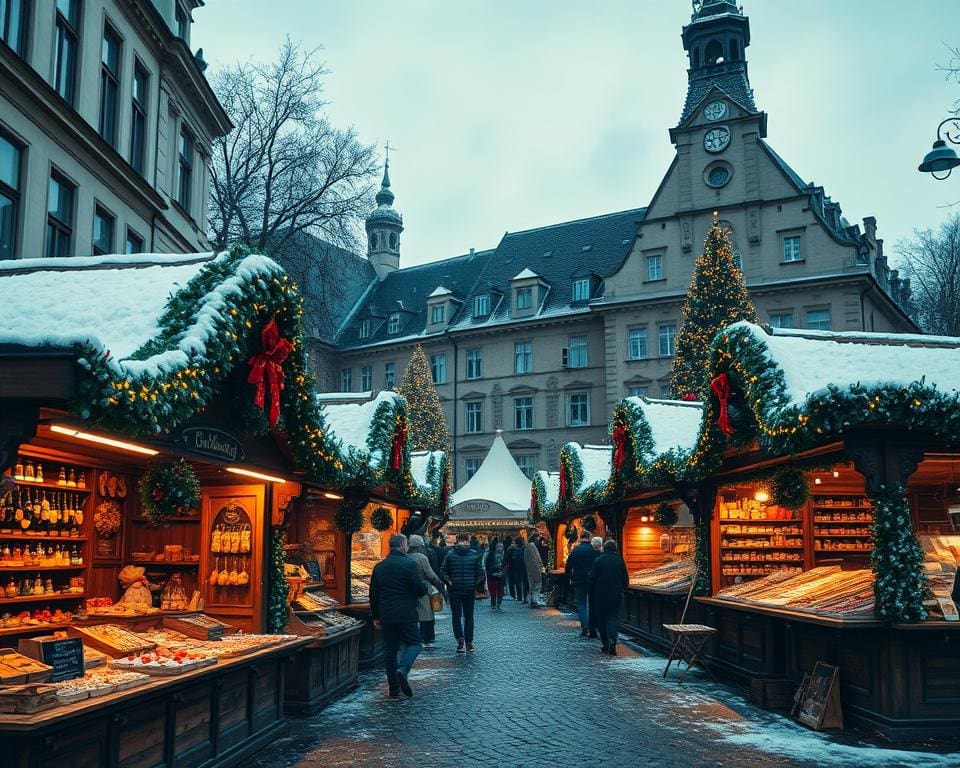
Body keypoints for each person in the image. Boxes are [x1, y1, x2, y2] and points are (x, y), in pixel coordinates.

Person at [369, 533, 428, 696]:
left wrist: (375, 616)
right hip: (406, 612)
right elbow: (418, 589)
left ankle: (393, 689)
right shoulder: (409, 564)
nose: (407, 547)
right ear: (402, 546)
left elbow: (373, 593)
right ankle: (403, 668)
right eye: (406, 544)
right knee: (415, 643)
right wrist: (425, 588)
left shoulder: (380, 566)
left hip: (387, 614)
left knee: (390, 649)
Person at [441, 531, 485, 652]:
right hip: (469, 589)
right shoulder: (474, 554)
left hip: (454, 589)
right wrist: (475, 584)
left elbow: (443, 571)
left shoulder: (450, 554)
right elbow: (480, 573)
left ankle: (460, 639)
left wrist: (449, 582)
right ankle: (469, 642)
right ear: (467, 541)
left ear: (457, 541)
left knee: (456, 616)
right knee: (469, 616)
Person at [588, 539, 629, 655]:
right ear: (615, 549)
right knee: (613, 618)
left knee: (601, 619)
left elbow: (592, 578)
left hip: (600, 595)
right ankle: (613, 640)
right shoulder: (619, 561)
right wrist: (623, 590)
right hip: (615, 595)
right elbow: (625, 579)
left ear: (604, 548)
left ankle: (605, 643)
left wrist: (591, 589)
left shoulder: (598, 560)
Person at [407, 535, 444, 647]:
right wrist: (440, 585)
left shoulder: (406, 557)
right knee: (426, 614)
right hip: (423, 589)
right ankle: (426, 638)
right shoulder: (422, 558)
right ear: (420, 546)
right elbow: (430, 575)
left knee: (412, 615)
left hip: (408, 590)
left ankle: (413, 637)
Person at [565, 529, 601, 637]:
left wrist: (570, 578)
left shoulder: (575, 550)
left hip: (579, 581)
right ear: (590, 538)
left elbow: (568, 566)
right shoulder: (594, 551)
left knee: (581, 604)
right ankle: (592, 626)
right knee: (592, 604)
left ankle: (584, 627)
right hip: (592, 581)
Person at [524, 533, 545, 607]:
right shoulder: (532, 547)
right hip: (534, 569)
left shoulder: (529, 547)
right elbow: (536, 559)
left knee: (532, 585)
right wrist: (540, 567)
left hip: (531, 569)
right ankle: (534, 601)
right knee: (536, 585)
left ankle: (533, 601)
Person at [485, 538, 507, 610]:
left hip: (501, 575)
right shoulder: (490, 554)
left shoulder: (504, 554)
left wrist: (503, 572)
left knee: (500, 591)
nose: (500, 548)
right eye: (499, 546)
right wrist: (491, 572)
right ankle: (493, 604)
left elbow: (506, 564)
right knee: (493, 590)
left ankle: (499, 604)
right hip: (492, 575)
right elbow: (487, 565)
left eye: (501, 546)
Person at [510, 536, 529, 603]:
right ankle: (526, 598)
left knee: (519, 583)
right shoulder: (525, 548)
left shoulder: (515, 549)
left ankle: (520, 597)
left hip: (517, 568)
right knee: (525, 583)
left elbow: (514, 559)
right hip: (524, 567)